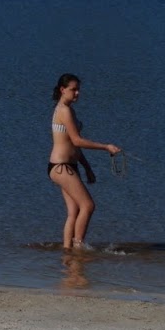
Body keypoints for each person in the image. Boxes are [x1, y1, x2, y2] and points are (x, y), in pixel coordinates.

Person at [48, 73, 121, 250]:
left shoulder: (69, 110)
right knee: (88, 205)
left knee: (73, 212)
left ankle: (67, 252)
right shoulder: (64, 110)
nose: (77, 93)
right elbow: (77, 140)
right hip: (61, 167)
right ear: (62, 90)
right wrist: (106, 147)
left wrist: (87, 168)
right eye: (73, 89)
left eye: (78, 89)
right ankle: (79, 247)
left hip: (68, 166)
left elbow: (73, 146)